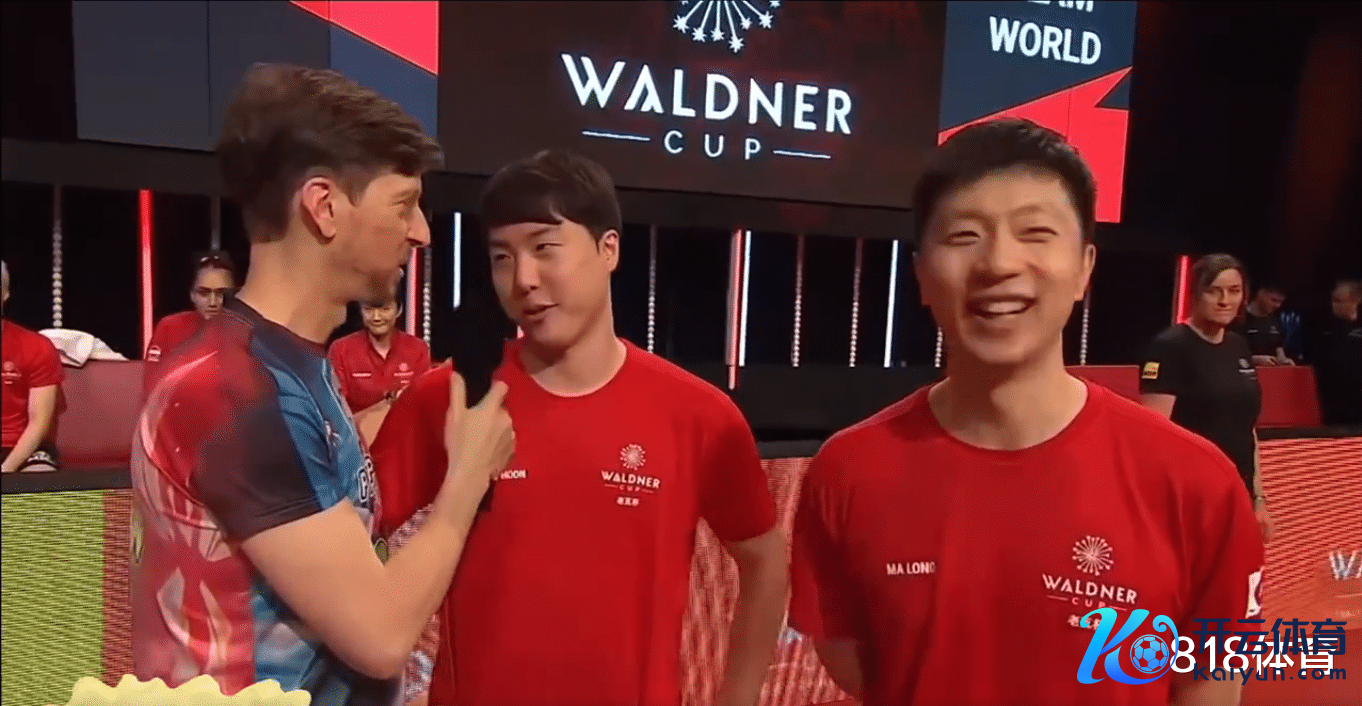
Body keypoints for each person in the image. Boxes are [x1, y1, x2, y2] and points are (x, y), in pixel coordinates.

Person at [788, 120, 1265, 706]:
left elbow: (1211, 682)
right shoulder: (848, 470)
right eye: (964, 235)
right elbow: (858, 666)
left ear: (1085, 267)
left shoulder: (1198, 482)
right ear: (921, 275)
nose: (999, 263)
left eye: (1035, 232)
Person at [129, 63, 515, 704]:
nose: (421, 232)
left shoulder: (294, 365)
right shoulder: (233, 390)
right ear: (324, 206)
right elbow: (380, 633)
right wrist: (467, 478)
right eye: (403, 205)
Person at [370, 149, 788, 706]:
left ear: (608, 249)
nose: (523, 279)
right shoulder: (450, 399)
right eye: (501, 257)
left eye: (545, 248)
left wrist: (738, 698)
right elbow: (353, 543)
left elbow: (765, 562)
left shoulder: (698, 415)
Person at [1139, 254, 1273, 540]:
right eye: (1214, 291)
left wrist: (1258, 499)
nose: (1225, 301)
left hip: (1236, 495)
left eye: (1234, 291)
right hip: (1188, 502)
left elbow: (1247, 430)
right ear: (1195, 294)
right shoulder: (1170, 347)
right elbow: (1151, 438)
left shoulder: (1238, 346)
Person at [328, 295, 432, 440]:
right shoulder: (341, 349)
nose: (376, 317)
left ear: (399, 310)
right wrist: (388, 403)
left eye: (385, 309)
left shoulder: (417, 349)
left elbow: (424, 407)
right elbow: (336, 413)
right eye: (368, 310)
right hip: (357, 442)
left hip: (406, 440)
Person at [1, 260, 63, 473]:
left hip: (23, 449)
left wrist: (5, 472)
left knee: (40, 476)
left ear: (4, 294)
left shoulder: (37, 347)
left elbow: (39, 424)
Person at [145, 251, 237, 364]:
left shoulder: (246, 334)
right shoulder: (168, 327)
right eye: (204, 293)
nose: (213, 302)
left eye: (220, 293)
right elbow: (152, 372)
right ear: (192, 294)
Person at [1313, 279, 1362, 425]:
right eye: (1333, 300)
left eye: (1338, 300)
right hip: (1333, 406)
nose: (1333, 305)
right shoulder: (1326, 327)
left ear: (1355, 301)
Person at [1235, 282, 1293, 366]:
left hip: (1269, 371)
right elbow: (1229, 354)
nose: (1277, 305)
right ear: (1260, 294)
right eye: (1273, 300)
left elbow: (1278, 348)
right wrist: (1254, 360)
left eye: (1280, 302)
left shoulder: (1274, 321)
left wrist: (1284, 360)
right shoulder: (1239, 319)